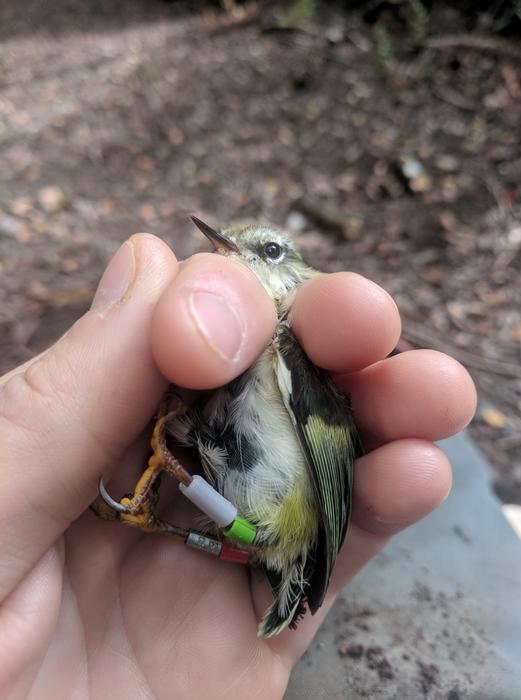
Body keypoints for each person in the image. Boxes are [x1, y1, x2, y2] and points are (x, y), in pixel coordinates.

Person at [0, 233, 476, 699]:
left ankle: (178, 520)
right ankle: (169, 517)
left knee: (253, 534)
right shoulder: (238, 347)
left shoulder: (292, 352)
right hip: (221, 511)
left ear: (299, 275)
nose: (237, 253)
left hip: (281, 525)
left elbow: (331, 474)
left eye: (268, 250)